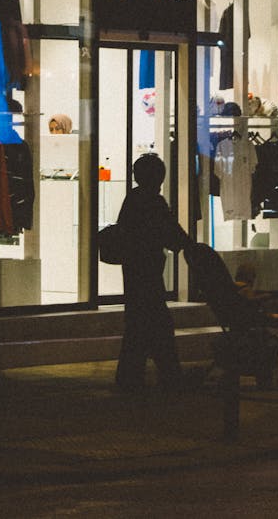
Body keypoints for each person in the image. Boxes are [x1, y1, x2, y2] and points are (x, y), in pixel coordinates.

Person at [116, 152, 191, 393]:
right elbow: (171, 232)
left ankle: (131, 377)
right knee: (158, 324)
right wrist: (189, 247)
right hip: (148, 271)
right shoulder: (154, 203)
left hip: (133, 270)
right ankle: (169, 375)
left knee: (137, 325)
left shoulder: (132, 199)